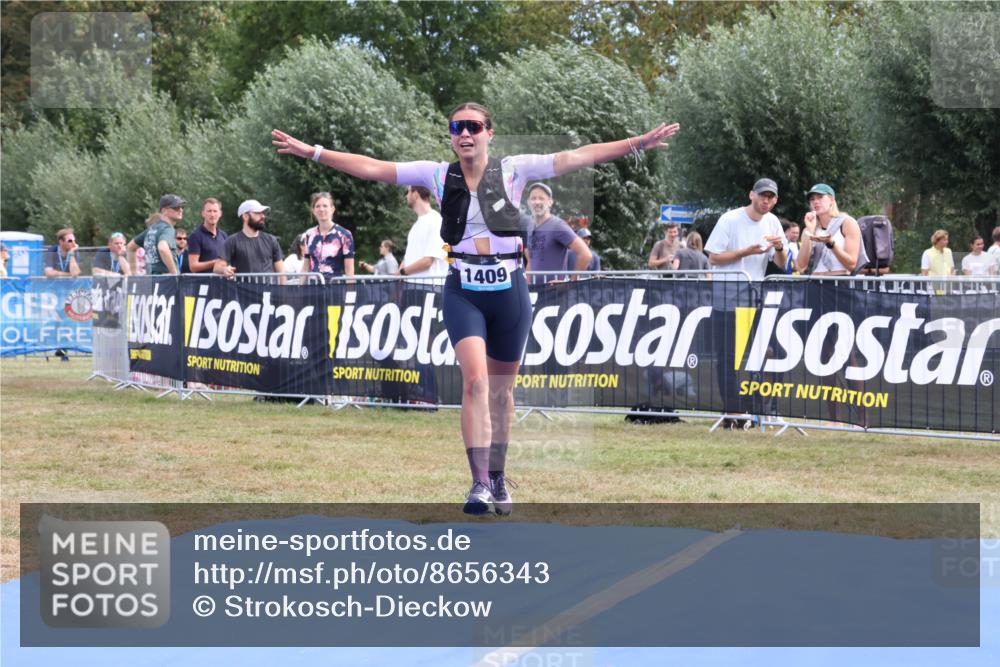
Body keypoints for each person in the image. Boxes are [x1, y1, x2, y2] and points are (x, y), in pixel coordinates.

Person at [272, 103, 679, 515]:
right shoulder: (436, 173)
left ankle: (498, 475)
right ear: (451, 135)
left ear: (489, 133)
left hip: (509, 291)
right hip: (463, 288)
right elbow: (373, 167)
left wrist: (638, 144)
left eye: (473, 126)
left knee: (502, 392)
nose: (465, 133)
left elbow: (579, 157)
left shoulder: (515, 170)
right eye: (457, 127)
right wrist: (314, 152)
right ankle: (479, 482)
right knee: (475, 383)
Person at [704, 178, 788, 280]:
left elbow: (780, 263)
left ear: (776, 200)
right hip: (727, 289)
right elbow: (713, 259)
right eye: (762, 195)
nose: (766, 201)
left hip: (755, 289)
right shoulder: (729, 218)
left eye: (770, 197)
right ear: (751, 195)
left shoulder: (773, 221)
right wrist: (746, 252)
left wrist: (779, 248)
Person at [524, 182, 590, 283]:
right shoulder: (529, 227)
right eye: (533, 198)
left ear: (550, 202)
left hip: (555, 295)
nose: (537, 202)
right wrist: (527, 286)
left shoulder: (557, 225)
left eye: (541, 198)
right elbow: (530, 260)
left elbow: (585, 254)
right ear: (528, 202)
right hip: (534, 294)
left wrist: (570, 283)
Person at [795, 184, 867, 276]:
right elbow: (801, 266)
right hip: (816, 282)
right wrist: (809, 231)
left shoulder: (847, 222)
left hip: (840, 282)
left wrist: (830, 243)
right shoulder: (809, 228)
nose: (815, 202)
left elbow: (851, 264)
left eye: (820, 197)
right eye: (812, 199)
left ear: (832, 200)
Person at [215, 200, 285, 279]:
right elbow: (217, 267)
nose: (263, 216)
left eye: (263, 213)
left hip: (269, 290)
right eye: (258, 213)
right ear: (245, 216)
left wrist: (283, 291)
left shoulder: (271, 240)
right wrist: (224, 269)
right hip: (243, 290)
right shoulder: (232, 241)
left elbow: (281, 272)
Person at [300, 192, 355, 279]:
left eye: (325, 206)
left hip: (335, 287)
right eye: (317, 206)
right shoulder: (308, 234)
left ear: (332, 209)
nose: (321, 209)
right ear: (313, 211)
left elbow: (349, 270)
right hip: (313, 288)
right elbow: (305, 267)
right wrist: (301, 290)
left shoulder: (344, 234)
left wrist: (351, 292)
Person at [398, 185, 447, 280]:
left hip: (429, 286)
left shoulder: (436, 221)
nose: (406, 196)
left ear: (415, 194)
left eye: (408, 192)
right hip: (412, 284)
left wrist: (402, 272)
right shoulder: (415, 226)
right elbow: (407, 258)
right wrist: (396, 275)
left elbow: (427, 262)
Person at [127, 194, 182, 275]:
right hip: (166, 281)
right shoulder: (167, 229)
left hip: (153, 280)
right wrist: (174, 273)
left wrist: (133, 273)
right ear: (164, 210)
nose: (180, 210)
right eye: (176, 208)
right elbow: (162, 248)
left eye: (181, 207)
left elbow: (130, 247)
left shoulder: (152, 229)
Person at [187, 198, 227, 273]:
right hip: (203, 283)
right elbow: (193, 267)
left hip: (222, 283)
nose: (212, 214)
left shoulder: (223, 235)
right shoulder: (195, 236)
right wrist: (215, 262)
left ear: (220, 214)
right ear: (203, 213)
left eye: (215, 211)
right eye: (209, 211)